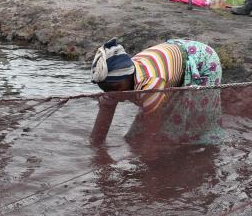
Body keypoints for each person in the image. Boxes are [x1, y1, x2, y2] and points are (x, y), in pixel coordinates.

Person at [88, 38, 224, 145]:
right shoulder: (111, 85)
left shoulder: (150, 84)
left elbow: (152, 136)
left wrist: (149, 166)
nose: (113, 94)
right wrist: (97, 151)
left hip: (202, 60)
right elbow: (98, 134)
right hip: (171, 56)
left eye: (117, 88)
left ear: (129, 76)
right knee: (137, 138)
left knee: (194, 126)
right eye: (106, 90)